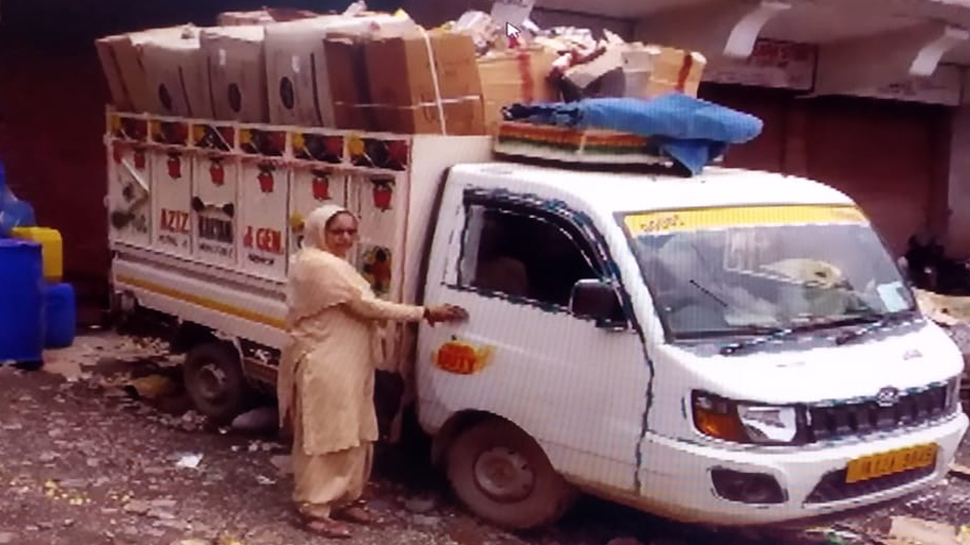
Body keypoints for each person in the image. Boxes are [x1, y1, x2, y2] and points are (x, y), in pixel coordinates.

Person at [277, 204, 467, 539]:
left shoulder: (333, 263)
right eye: (338, 232)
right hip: (324, 365)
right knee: (325, 435)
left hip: (349, 365)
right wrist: (424, 312)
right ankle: (314, 508)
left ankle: (345, 497)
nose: (346, 238)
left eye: (351, 231)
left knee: (355, 431)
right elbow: (366, 306)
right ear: (320, 232)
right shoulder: (316, 265)